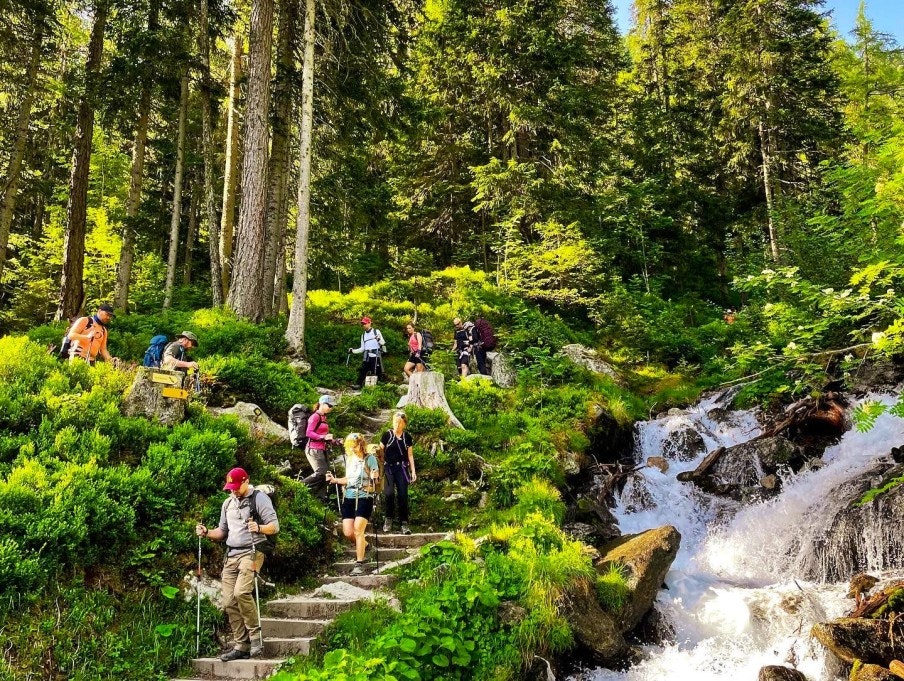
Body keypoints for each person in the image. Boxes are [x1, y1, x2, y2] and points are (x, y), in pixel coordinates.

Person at [195, 467, 279, 661]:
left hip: (253, 551)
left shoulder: (259, 499)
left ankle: (255, 636)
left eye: (235, 487)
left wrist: (258, 527)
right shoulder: (227, 504)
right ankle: (241, 645)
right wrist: (207, 532)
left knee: (241, 592)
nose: (232, 490)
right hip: (231, 554)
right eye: (230, 487)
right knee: (228, 601)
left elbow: (274, 527)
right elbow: (222, 532)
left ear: (245, 481)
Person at [326, 433, 380, 576]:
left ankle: (359, 564)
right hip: (349, 497)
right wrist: (335, 480)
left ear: (361, 444)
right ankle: (366, 546)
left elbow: (376, 479)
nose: (353, 449)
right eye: (350, 447)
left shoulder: (370, 459)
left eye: (355, 446)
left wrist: (375, 477)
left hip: (364, 496)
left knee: (358, 530)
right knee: (348, 532)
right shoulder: (350, 459)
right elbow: (348, 479)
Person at [381, 411, 416, 535]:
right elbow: (380, 451)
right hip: (389, 469)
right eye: (395, 422)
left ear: (404, 424)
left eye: (400, 423)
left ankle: (404, 523)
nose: (397, 425)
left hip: (402, 469)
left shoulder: (407, 437)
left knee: (403, 495)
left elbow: (410, 455)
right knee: (389, 493)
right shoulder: (387, 435)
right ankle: (388, 519)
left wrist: (413, 471)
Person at [302, 394, 336, 500]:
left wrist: (336, 441)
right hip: (313, 449)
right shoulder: (315, 417)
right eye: (329, 405)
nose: (331, 408)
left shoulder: (323, 418)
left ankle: (320, 498)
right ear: (321, 404)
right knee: (320, 473)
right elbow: (309, 433)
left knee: (326, 474)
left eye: (332, 406)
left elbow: (326, 437)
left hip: (322, 449)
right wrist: (323, 437)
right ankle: (299, 486)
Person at [349, 316, 386, 388]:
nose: (363, 325)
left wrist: (378, 339)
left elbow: (383, 343)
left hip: (376, 356)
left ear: (369, 323)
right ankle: (358, 384)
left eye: (365, 323)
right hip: (367, 356)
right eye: (362, 324)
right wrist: (353, 351)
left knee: (376, 372)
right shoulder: (363, 335)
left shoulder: (376, 331)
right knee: (363, 370)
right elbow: (362, 348)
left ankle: (377, 388)